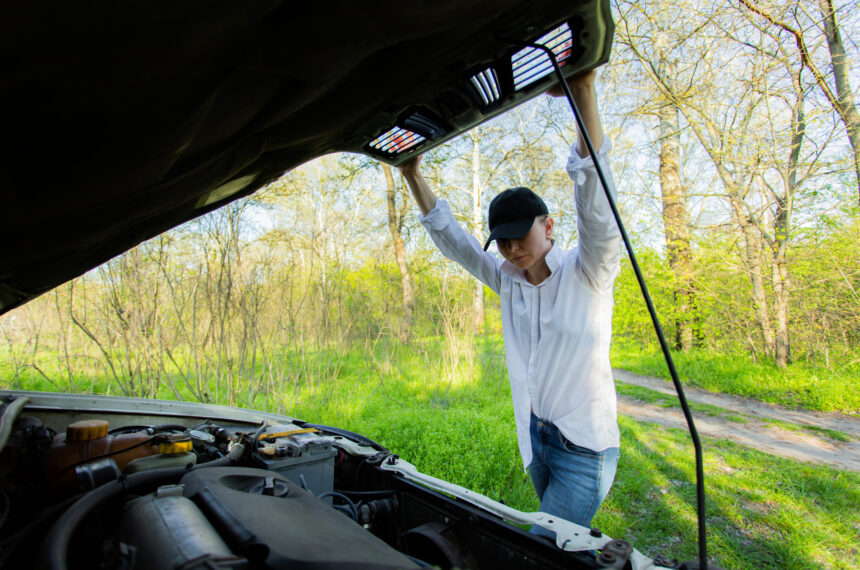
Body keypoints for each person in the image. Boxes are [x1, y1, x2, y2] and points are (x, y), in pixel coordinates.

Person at [398, 69, 622, 534]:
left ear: (548, 225)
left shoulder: (589, 272)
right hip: (536, 443)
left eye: (520, 236)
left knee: (542, 544)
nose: (512, 249)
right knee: (560, 547)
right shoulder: (508, 280)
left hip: (585, 450)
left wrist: (582, 94)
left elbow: (596, 204)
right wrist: (411, 173)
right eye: (502, 242)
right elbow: (454, 240)